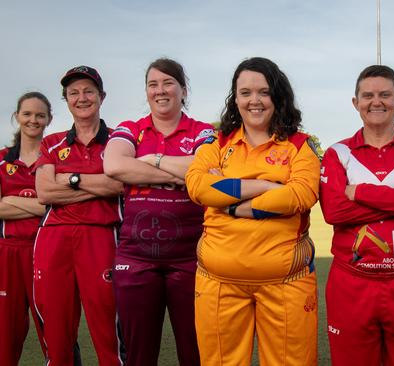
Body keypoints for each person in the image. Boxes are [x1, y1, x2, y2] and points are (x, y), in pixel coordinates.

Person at [186, 57, 320, 365]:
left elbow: (300, 195)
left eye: (263, 92)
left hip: (286, 281)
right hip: (218, 280)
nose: (254, 100)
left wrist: (231, 203)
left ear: (278, 96)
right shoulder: (216, 142)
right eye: (245, 92)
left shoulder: (300, 145)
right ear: (235, 98)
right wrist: (268, 187)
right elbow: (197, 186)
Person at [319, 65, 394, 366]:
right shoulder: (338, 153)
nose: (377, 102)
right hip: (353, 284)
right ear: (355, 102)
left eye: (385, 95)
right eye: (368, 95)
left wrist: (359, 191)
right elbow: (334, 210)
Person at [103, 57, 213, 366]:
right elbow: (113, 166)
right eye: (153, 84)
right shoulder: (130, 128)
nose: (160, 91)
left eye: (168, 83)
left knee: (196, 352)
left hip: (192, 256)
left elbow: (209, 171)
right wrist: (183, 173)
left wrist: (151, 161)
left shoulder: (203, 131)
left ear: (183, 89)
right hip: (136, 258)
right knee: (139, 355)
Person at [33, 66, 124, 366]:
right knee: (57, 339)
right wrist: (96, 185)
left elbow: (119, 184)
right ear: (66, 99)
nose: (81, 98)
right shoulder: (52, 143)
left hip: (100, 236)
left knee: (108, 333)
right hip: (54, 239)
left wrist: (69, 180)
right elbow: (45, 192)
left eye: (88, 91)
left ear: (101, 96)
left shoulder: (119, 140)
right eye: (74, 93)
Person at [0, 92, 50, 366]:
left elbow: (58, 205)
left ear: (48, 119)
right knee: (6, 332)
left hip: (46, 250)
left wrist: (10, 200)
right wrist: (40, 203)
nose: (33, 120)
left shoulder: (55, 158)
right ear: (17, 116)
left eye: (40, 115)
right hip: (8, 253)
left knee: (53, 329)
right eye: (27, 114)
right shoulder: (1, 160)